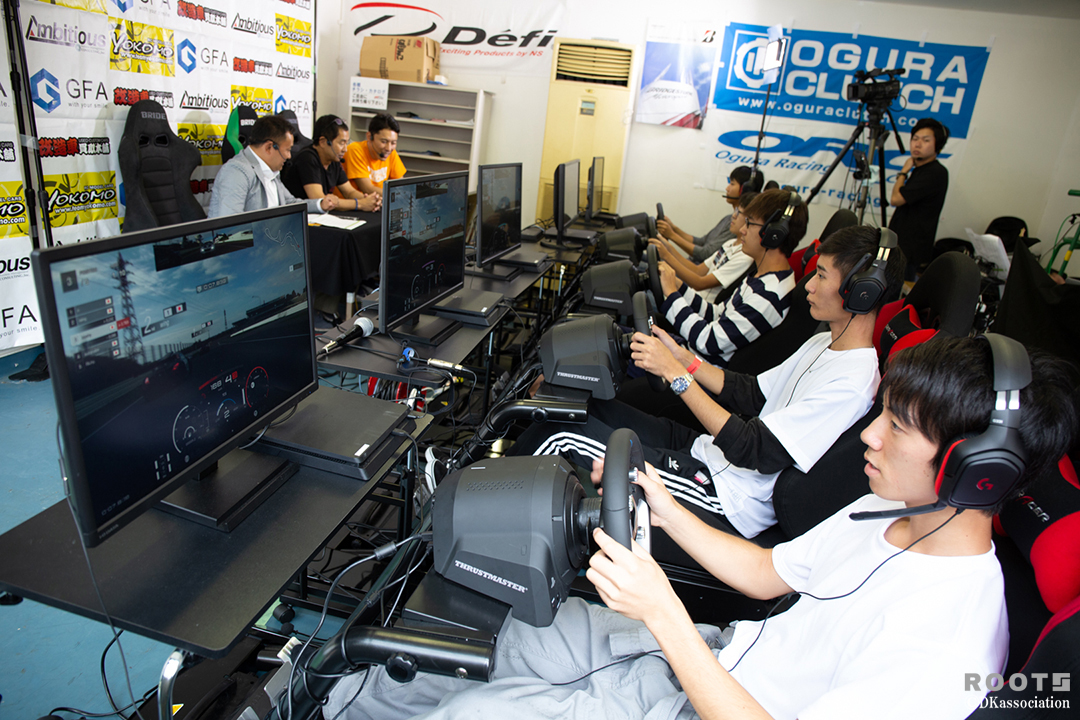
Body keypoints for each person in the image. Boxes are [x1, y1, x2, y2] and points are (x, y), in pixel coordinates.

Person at [326, 336, 1077, 720]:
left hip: (706, 696)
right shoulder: (891, 512)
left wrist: (663, 613)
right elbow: (765, 573)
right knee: (484, 637)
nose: (869, 438)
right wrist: (664, 505)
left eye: (898, 427)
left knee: (471, 712)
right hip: (712, 658)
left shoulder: (946, 644)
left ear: (977, 471)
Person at [512, 225, 903, 542]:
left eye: (821, 276)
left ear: (861, 293)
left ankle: (482, 510)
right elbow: (752, 392)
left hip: (725, 494)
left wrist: (676, 376)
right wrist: (684, 358)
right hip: (710, 454)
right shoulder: (823, 343)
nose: (809, 286)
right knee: (575, 406)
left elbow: (757, 450)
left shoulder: (851, 382)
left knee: (556, 432)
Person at [658, 189, 805, 366]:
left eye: (750, 223)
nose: (742, 230)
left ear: (775, 234)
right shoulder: (761, 278)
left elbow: (708, 342)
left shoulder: (768, 295)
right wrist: (678, 286)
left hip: (695, 370)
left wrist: (672, 295)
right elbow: (716, 314)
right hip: (690, 355)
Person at [208, 115, 335, 218]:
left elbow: (289, 203)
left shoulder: (271, 171)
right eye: (287, 150)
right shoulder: (236, 173)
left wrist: (320, 204)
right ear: (269, 147)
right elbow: (228, 226)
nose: (289, 156)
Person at [650, 191, 757, 304]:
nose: (733, 215)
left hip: (698, 305)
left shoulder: (744, 257)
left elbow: (699, 283)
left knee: (643, 298)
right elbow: (698, 270)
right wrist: (668, 248)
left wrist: (667, 255)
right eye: (735, 211)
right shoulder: (730, 243)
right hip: (690, 295)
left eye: (739, 213)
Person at [659, 166, 764, 262]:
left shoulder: (737, 227)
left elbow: (705, 254)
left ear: (744, 189)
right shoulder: (728, 218)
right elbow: (702, 241)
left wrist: (671, 235)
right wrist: (673, 228)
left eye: (732, 184)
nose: (727, 188)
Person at [889, 117, 949, 280]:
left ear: (937, 145)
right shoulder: (921, 170)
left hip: (910, 250)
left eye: (926, 140)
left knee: (898, 290)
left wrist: (903, 172)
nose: (917, 144)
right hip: (901, 245)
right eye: (915, 139)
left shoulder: (935, 172)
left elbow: (896, 199)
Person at [281, 114, 381, 213]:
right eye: (341, 143)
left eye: (346, 143)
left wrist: (371, 200)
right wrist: (360, 204)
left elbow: (349, 192)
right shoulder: (307, 158)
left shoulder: (334, 159)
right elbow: (320, 200)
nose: (345, 149)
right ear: (323, 142)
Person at [344, 112, 406, 196]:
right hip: (356, 202)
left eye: (393, 143)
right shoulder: (355, 150)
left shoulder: (391, 152)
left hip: (378, 201)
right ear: (369, 137)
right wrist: (398, 195)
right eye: (384, 141)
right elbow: (368, 189)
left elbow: (400, 185)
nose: (388, 148)